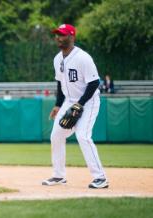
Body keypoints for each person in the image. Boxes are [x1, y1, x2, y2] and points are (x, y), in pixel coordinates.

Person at [42, 24, 108, 189]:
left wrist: (81, 103)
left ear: (72, 37)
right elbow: (60, 83)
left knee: (83, 136)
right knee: (56, 135)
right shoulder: (57, 59)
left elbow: (94, 83)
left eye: (62, 35)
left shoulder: (83, 58)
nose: (58, 37)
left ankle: (100, 178)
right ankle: (58, 176)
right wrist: (58, 105)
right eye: (57, 34)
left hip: (89, 101)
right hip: (69, 101)